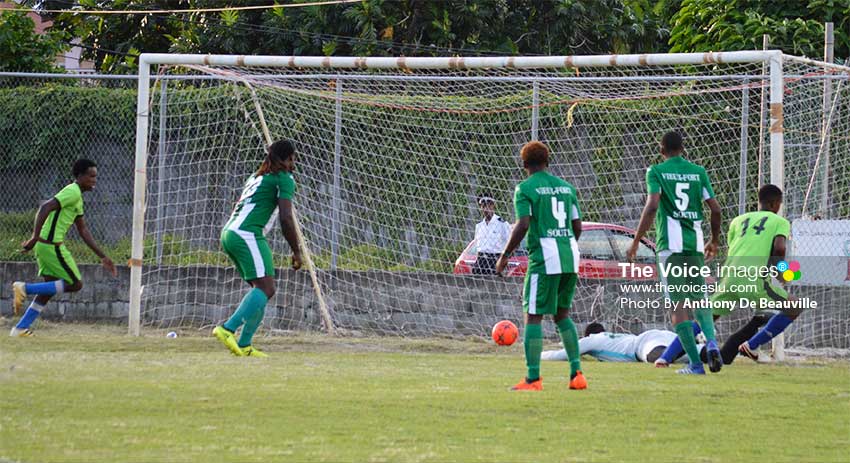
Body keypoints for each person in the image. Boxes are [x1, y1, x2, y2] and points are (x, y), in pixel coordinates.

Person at [655, 185, 799, 365]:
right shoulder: (780, 222)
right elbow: (779, 248)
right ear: (775, 203)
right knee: (794, 306)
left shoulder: (738, 221)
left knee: (704, 319)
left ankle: (665, 357)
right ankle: (752, 346)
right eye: (779, 203)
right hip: (754, 280)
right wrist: (783, 274)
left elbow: (737, 249)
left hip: (729, 278)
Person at [626, 131, 723, 375]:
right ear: (683, 148)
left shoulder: (656, 171)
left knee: (678, 308)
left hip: (670, 248)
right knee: (700, 299)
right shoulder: (698, 172)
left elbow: (653, 205)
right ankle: (711, 342)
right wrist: (714, 240)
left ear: (661, 150)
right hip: (694, 246)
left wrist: (637, 240)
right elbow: (716, 209)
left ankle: (696, 365)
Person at [496, 140, 587, 391]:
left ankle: (533, 378)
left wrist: (505, 255)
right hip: (570, 256)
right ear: (548, 161)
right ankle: (576, 374)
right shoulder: (568, 189)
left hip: (545, 258)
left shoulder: (525, 188)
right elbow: (577, 227)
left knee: (533, 316)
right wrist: (564, 244)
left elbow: (523, 224)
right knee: (562, 315)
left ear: (524, 164)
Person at [212, 140, 302, 357]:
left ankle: (245, 345)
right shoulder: (284, 179)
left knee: (261, 288)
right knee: (266, 288)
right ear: (287, 158)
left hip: (230, 233)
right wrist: (296, 250)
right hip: (247, 234)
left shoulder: (257, 177)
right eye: (292, 158)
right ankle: (227, 329)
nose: (294, 163)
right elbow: (286, 218)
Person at [10, 159, 117, 337]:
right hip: (51, 246)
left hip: (46, 247)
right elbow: (45, 207)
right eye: (91, 176)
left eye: (95, 177)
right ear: (80, 176)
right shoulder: (72, 192)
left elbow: (83, 230)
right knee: (75, 284)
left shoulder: (77, 197)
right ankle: (24, 288)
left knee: (48, 290)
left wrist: (102, 256)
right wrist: (34, 237)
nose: (94, 180)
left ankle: (20, 328)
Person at [542, 322, 706, 363]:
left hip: (642, 345)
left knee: (657, 358)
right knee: (711, 356)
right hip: (664, 336)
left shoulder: (594, 340)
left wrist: (539, 355)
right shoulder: (613, 337)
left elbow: (565, 354)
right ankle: (700, 343)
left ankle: (690, 335)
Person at [471, 193, 511, 275]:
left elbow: (512, 242)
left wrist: (504, 259)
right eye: (483, 206)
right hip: (481, 261)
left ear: (493, 206)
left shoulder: (502, 224)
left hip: (495, 260)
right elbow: (478, 246)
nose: (486, 209)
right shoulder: (479, 226)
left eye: (489, 205)